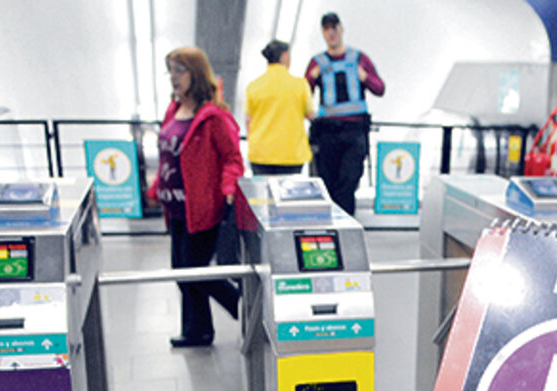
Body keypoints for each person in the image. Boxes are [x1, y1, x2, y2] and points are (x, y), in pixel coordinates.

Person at [148, 46, 243, 348]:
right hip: (175, 208)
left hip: (202, 207)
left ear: (195, 74)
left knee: (194, 271)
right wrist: (155, 190)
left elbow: (233, 159)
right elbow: (168, 157)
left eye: (179, 70)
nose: (173, 78)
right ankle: (197, 331)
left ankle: (243, 304)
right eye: (170, 70)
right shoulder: (173, 111)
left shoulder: (213, 117)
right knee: (182, 272)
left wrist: (229, 188)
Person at [305, 11, 385, 215]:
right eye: (326, 29)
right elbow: (302, 94)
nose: (331, 33)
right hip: (327, 133)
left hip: (354, 132)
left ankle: (346, 224)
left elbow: (379, 88)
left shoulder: (359, 59)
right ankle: (331, 227)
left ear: (341, 30)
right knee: (328, 184)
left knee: (348, 182)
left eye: (334, 28)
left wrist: (364, 76)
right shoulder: (317, 63)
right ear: (323, 33)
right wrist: (311, 81)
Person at [244, 40, 314, 175]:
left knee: (263, 195)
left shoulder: (253, 87)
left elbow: (248, 119)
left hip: (261, 154)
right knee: (287, 195)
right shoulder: (299, 85)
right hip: (291, 154)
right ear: (285, 56)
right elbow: (309, 114)